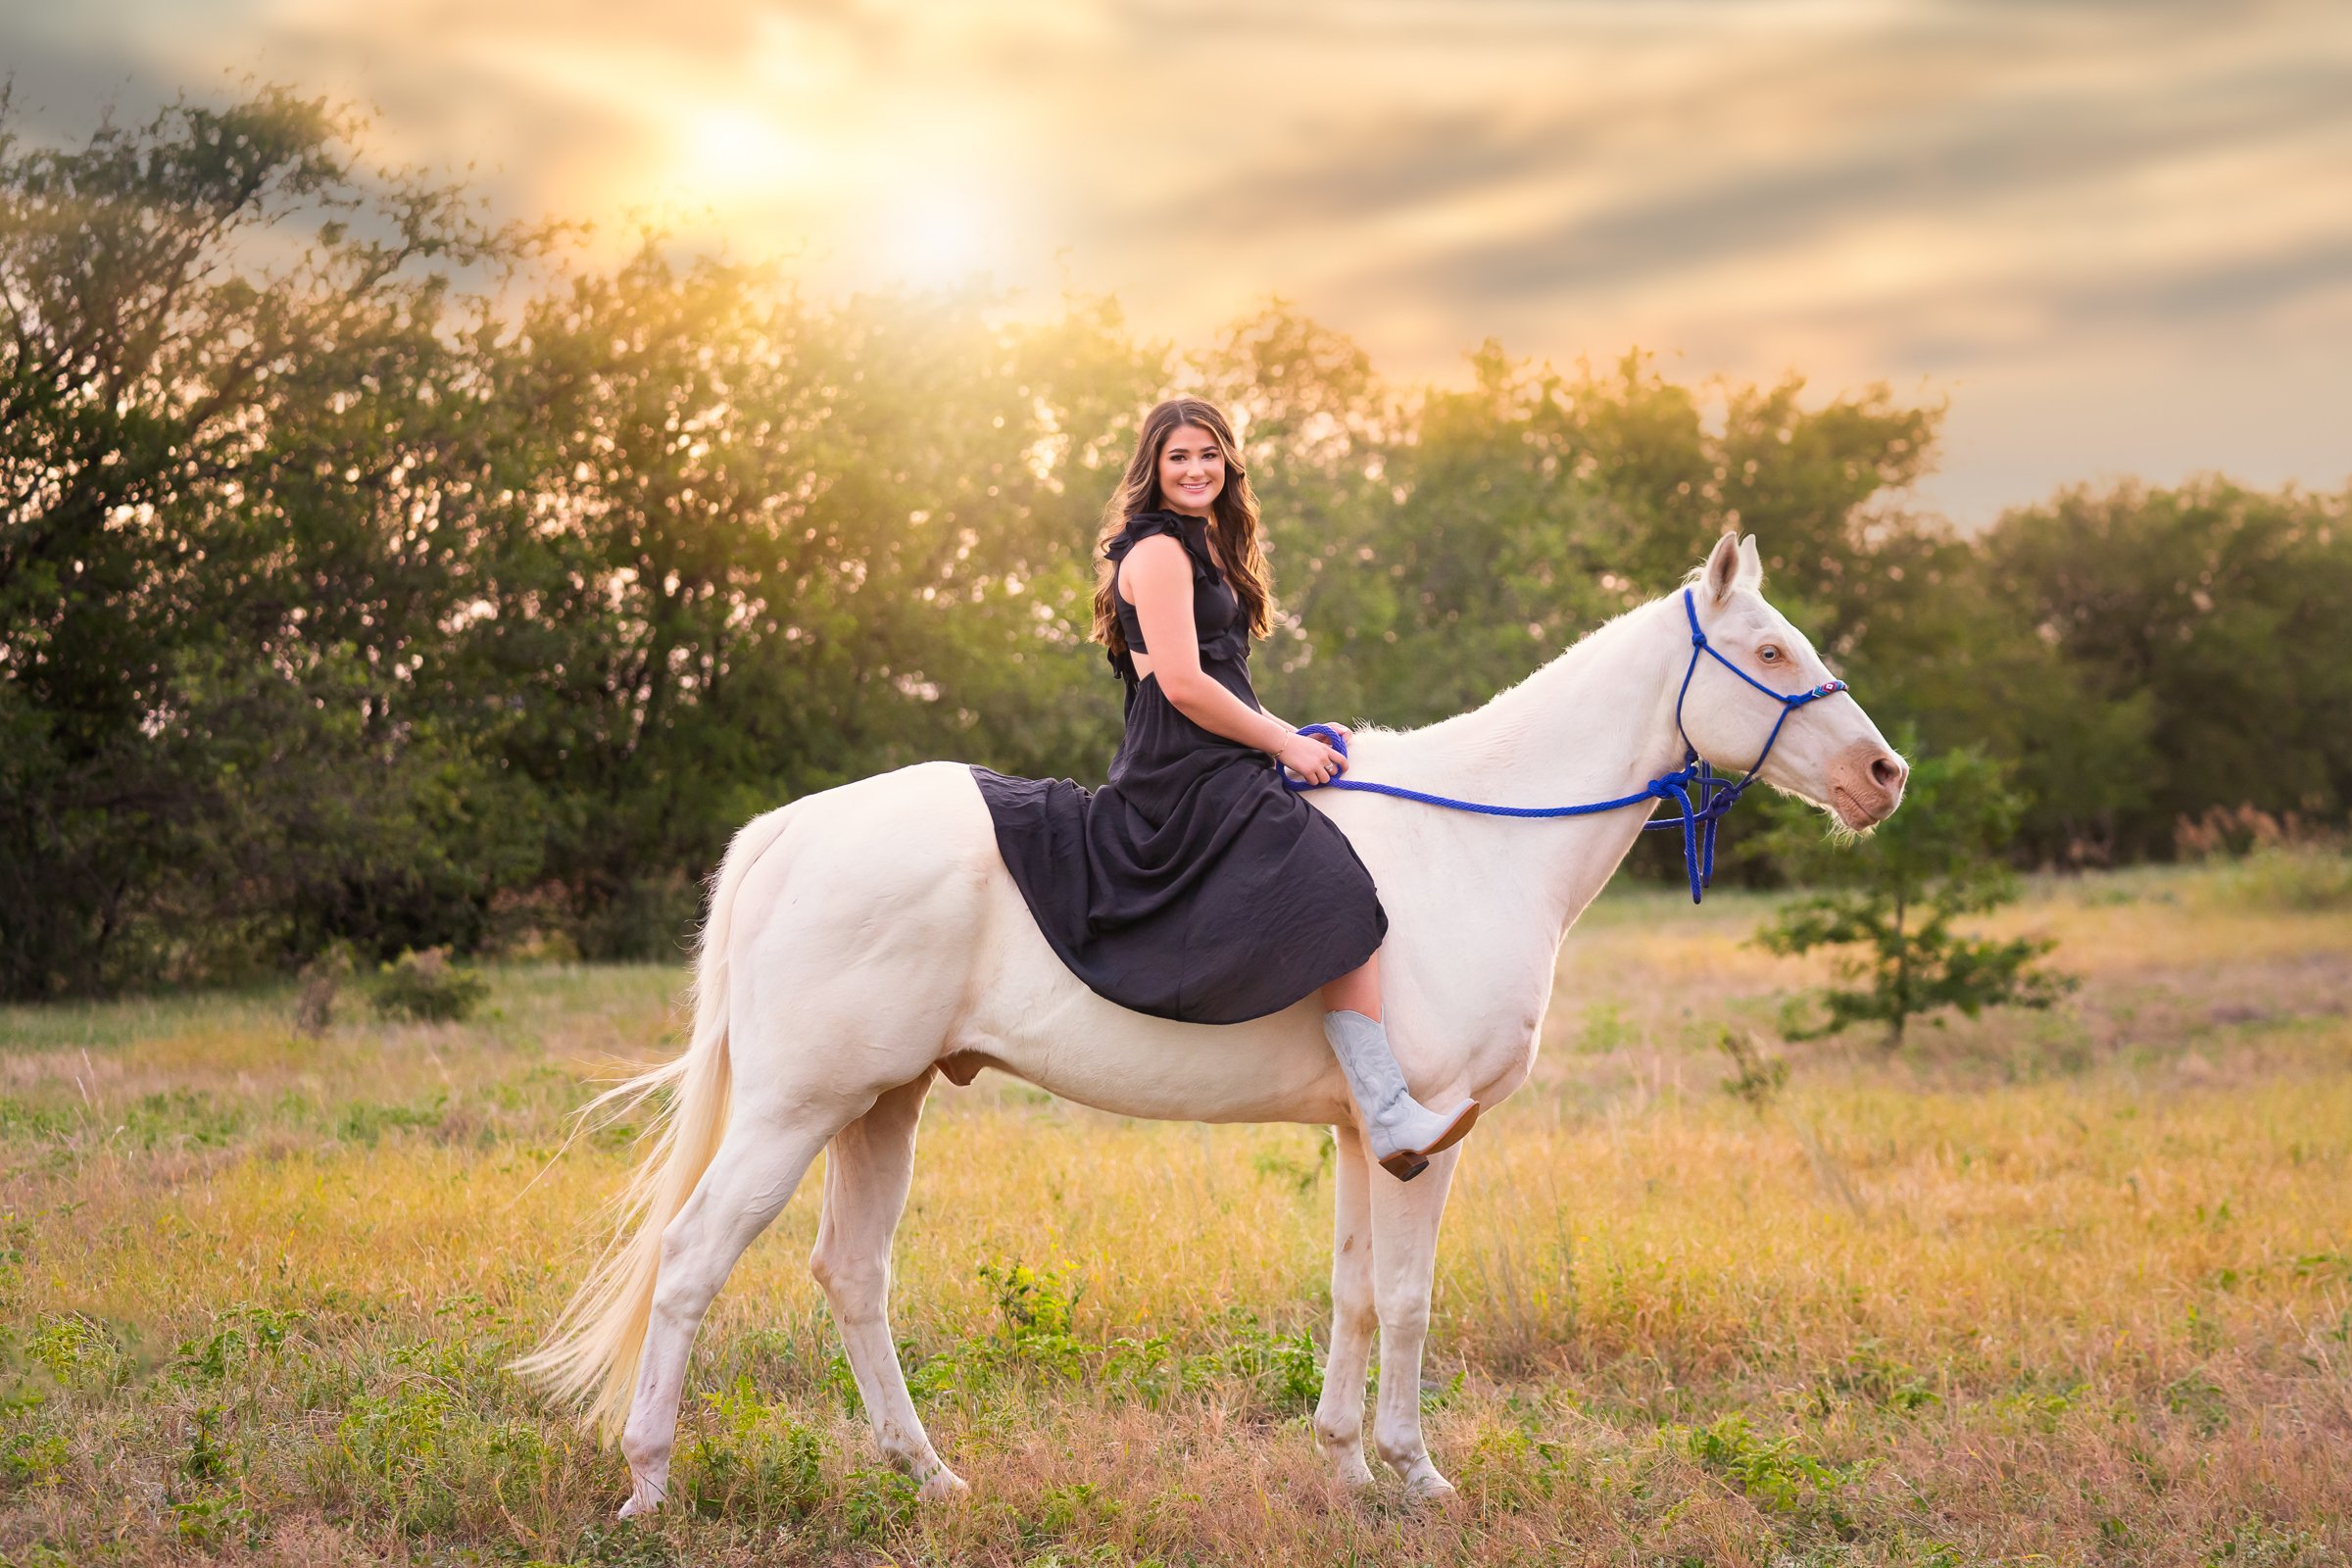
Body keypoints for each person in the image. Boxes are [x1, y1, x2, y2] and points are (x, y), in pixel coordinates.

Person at [969, 397, 1477, 1180]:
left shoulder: (1203, 548)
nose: (1196, 469)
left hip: (1216, 754)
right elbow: (1179, 684)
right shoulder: (1161, 554)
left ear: (1229, 464)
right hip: (1183, 771)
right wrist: (1280, 743)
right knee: (1337, 888)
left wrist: (1290, 736)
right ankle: (1386, 1109)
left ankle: (1372, 1096)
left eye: (1209, 454)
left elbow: (1222, 679)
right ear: (1153, 468)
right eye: (1178, 457)